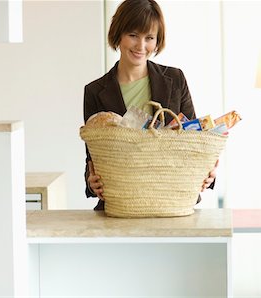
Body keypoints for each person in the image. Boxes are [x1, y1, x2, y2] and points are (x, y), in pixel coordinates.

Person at [83, 0, 217, 210]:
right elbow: (93, 158)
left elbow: (194, 139)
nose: (141, 46)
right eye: (133, 35)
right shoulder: (95, 91)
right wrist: (92, 184)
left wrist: (207, 175)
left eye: (149, 38)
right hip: (121, 205)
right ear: (119, 34)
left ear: (157, 41)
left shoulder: (175, 80)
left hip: (173, 202)